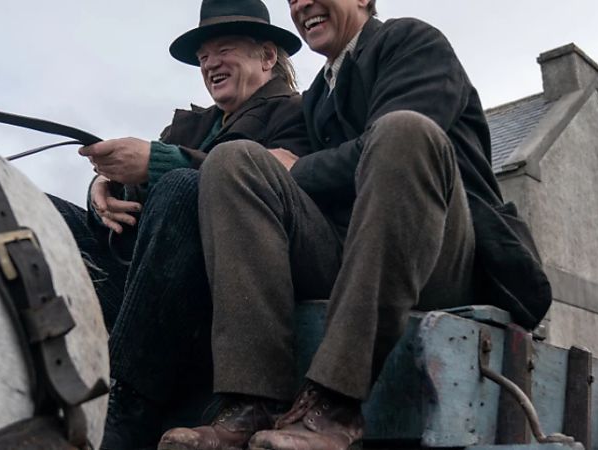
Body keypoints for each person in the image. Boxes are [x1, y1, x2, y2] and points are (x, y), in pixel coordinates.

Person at [158, 1, 551, 450]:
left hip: (440, 256)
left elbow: (385, 151)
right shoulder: (318, 95)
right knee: (233, 161)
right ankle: (252, 402)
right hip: (355, 257)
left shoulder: (412, 42)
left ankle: (335, 401)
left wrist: (298, 170)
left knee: (403, 131)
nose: (302, 4)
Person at [47, 1, 308, 448]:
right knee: (41, 212)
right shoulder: (190, 124)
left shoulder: (298, 113)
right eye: (203, 57)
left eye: (223, 49)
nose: (210, 64)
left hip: (218, 290)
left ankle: (129, 400)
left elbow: (272, 181)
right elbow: (141, 191)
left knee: (183, 188)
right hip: (141, 283)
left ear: (267, 56)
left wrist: (158, 163)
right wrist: (105, 189)